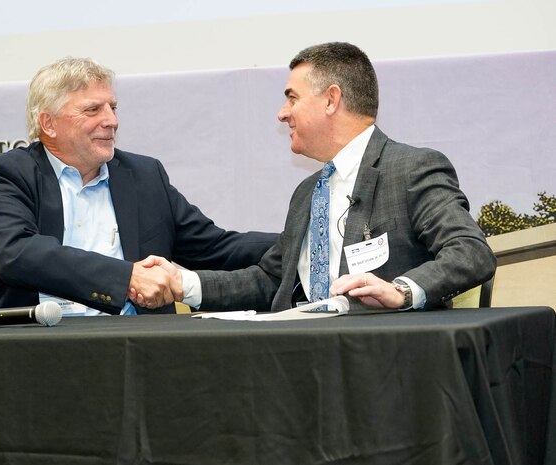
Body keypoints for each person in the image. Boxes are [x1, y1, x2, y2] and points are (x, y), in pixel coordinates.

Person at [136, 42, 496, 312]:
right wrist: (182, 282)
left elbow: (470, 253)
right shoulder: (309, 192)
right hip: (307, 361)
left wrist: (401, 290)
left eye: (292, 98)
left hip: (387, 363)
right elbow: (271, 281)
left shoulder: (410, 168)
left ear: (330, 100)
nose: (281, 113)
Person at [0, 57, 277, 315]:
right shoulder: (10, 173)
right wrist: (126, 278)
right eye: (93, 110)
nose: (111, 121)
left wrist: (301, 238)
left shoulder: (143, 175)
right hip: (35, 345)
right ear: (49, 124)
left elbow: (216, 248)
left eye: (113, 108)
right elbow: (15, 252)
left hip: (135, 345)